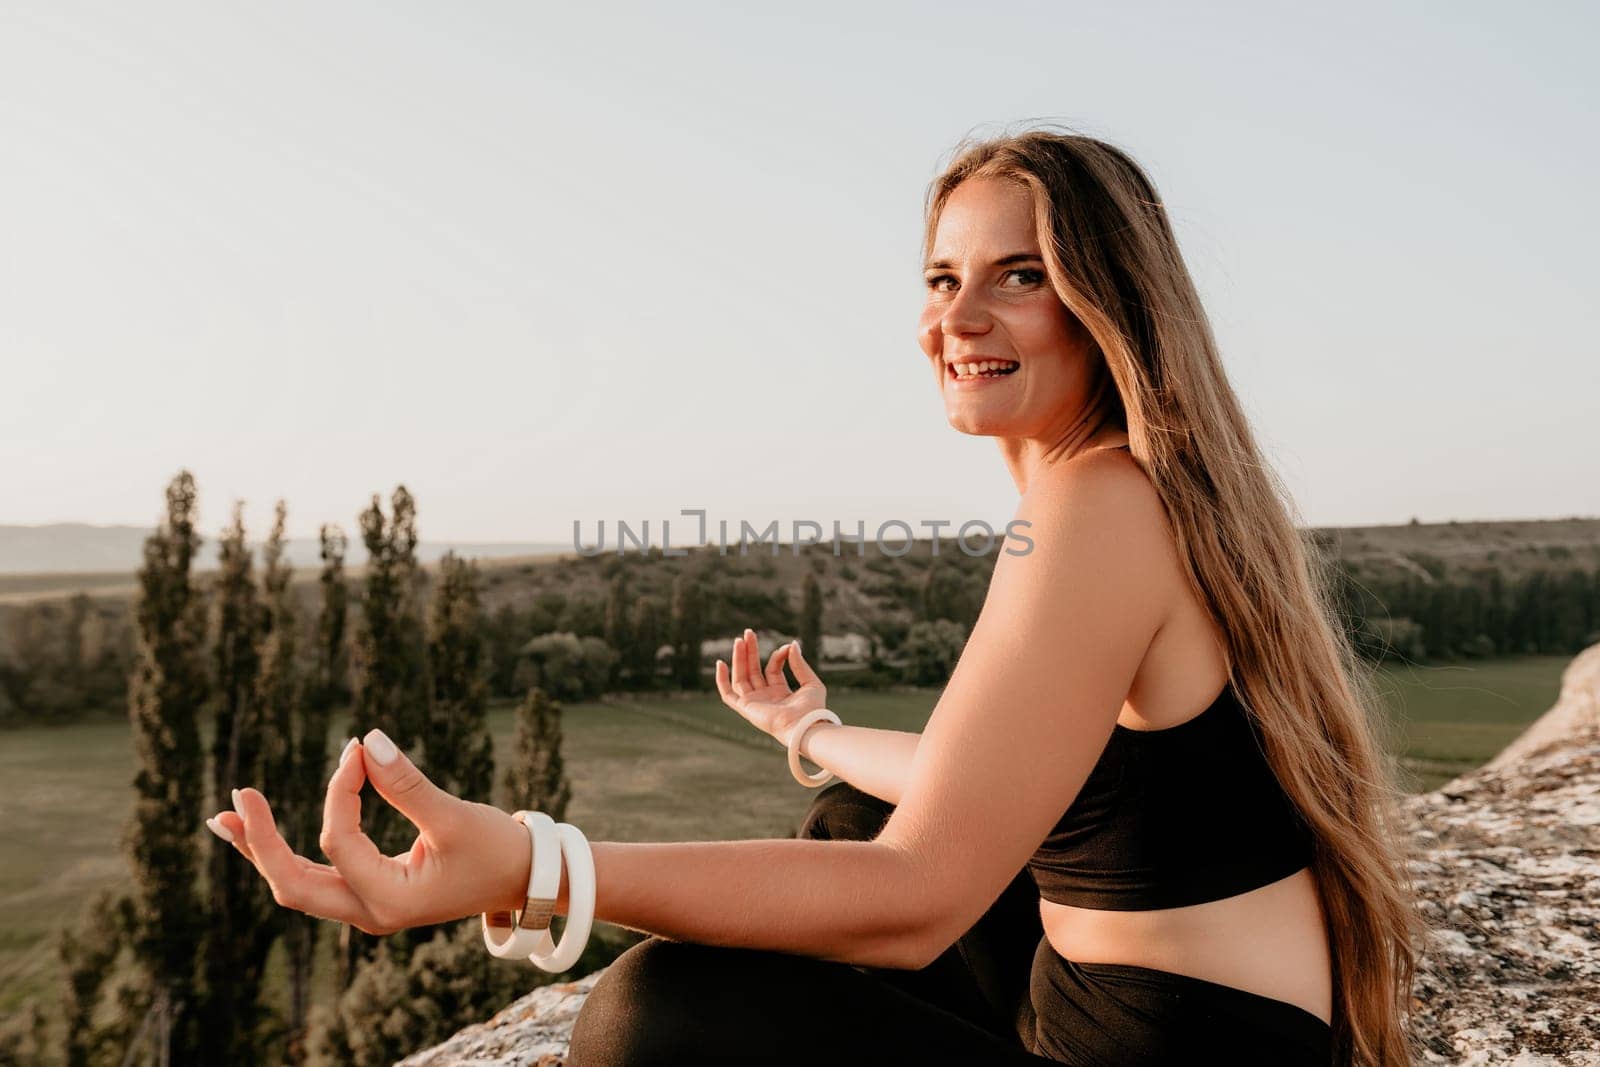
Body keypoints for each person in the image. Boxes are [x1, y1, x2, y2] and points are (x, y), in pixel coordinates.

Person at [210, 126, 1421, 1065]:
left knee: (655, 1015)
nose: (958, 316)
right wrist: (813, 734)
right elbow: (984, 774)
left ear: (1109, 306)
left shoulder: (1100, 505)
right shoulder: (1133, 487)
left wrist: (536, 863)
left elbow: (917, 900)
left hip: (1174, 1051)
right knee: (846, 814)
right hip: (1131, 1005)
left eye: (1019, 275)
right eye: (942, 276)